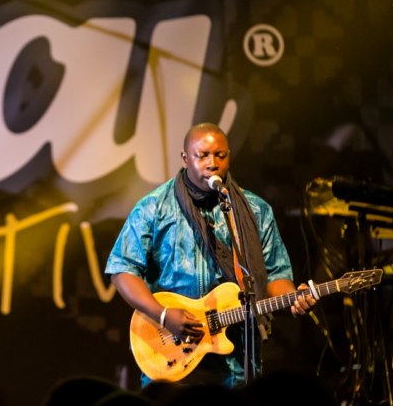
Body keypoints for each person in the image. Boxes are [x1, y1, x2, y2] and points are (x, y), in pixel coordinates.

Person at [105, 122, 316, 389]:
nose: (212, 163)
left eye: (220, 155)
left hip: (237, 362)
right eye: (202, 155)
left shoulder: (256, 210)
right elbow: (122, 270)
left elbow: (275, 274)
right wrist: (163, 315)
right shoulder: (154, 207)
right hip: (172, 356)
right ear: (185, 159)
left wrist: (294, 298)